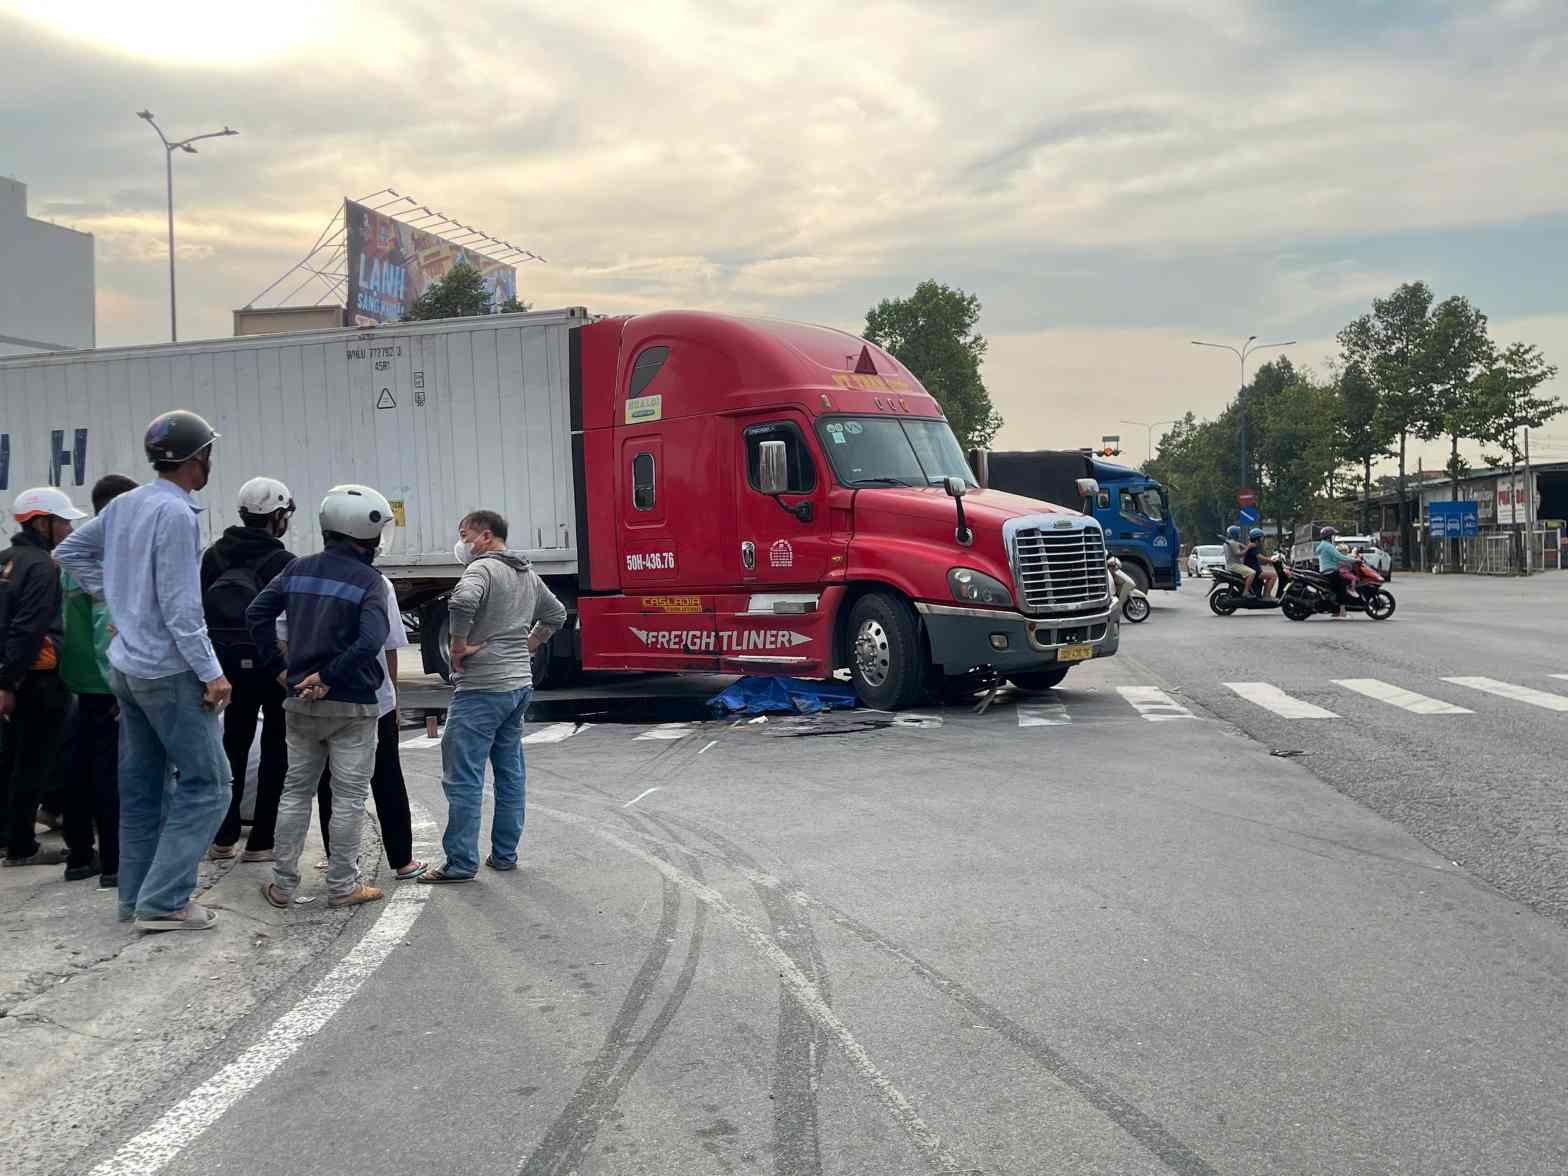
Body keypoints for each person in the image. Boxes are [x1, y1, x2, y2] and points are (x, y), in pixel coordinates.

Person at [54, 410, 233, 932]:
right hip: (167, 670)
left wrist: (119, 603)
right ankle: (166, 900)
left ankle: (135, 899)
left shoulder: (127, 503)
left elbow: (69, 551)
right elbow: (182, 607)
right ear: (196, 459)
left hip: (127, 669)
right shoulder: (176, 514)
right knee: (210, 785)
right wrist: (212, 673)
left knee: (144, 789)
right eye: (208, 454)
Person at [248, 484, 392, 910]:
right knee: (348, 798)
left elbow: (255, 614)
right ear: (365, 537)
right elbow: (371, 642)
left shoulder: (297, 569)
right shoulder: (370, 580)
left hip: (300, 704)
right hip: (353, 705)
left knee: (295, 792)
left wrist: (281, 671)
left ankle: (282, 886)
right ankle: (342, 887)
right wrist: (329, 676)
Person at [423, 510, 565, 884]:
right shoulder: (526, 573)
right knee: (510, 773)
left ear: (485, 536)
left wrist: (457, 647)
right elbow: (556, 615)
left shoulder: (480, 570)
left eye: (464, 533)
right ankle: (504, 854)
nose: (461, 542)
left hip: (482, 688)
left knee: (463, 777)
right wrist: (527, 646)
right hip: (517, 686)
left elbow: (460, 603)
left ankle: (460, 862)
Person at [202, 477, 297, 863]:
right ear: (276, 516)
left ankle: (222, 837)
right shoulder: (283, 561)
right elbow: (291, 622)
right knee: (275, 747)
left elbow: (198, 613)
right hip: (270, 664)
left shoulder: (213, 556)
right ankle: (261, 840)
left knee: (231, 746)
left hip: (224, 664)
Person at [314, 573, 427, 881]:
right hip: (374, 698)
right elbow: (389, 646)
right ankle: (403, 860)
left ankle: (336, 859)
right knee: (387, 777)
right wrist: (393, 698)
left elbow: (281, 632)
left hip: (322, 696)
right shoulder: (378, 583)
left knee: (330, 780)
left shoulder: (305, 577)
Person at [59, 475, 139, 885]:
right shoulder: (111, 557)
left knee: (79, 771)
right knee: (114, 777)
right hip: (106, 686)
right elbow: (103, 628)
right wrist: (118, 684)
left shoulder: (77, 560)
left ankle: (79, 857)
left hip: (79, 686)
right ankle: (115, 864)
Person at [1, 487, 85, 867]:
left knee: (10, 760)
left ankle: (8, 836)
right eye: (63, 520)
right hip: (38, 681)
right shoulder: (42, 567)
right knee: (35, 763)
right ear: (41, 523)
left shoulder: (6, 561)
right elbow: (28, 628)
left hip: (13, 679)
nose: (69, 528)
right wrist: (8, 682)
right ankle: (21, 845)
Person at [1316, 526, 1358, 617]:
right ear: (1329, 537)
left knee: (1336, 589)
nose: (1334, 538)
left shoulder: (1322, 546)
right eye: (1333, 535)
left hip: (1325, 571)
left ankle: (1335, 610)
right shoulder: (1328, 546)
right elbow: (1339, 556)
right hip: (1331, 572)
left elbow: (1334, 558)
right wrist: (1353, 560)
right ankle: (1342, 611)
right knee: (1342, 586)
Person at [1244, 527, 1277, 599]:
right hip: (1254, 571)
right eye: (1262, 538)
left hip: (1254, 570)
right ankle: (1267, 596)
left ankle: (1265, 595)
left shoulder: (1253, 546)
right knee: (1273, 576)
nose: (1263, 540)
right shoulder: (1253, 547)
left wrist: (1269, 559)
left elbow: (1260, 559)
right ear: (1257, 538)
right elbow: (1260, 557)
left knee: (1268, 576)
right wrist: (1272, 560)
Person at [1223, 525, 1255, 596]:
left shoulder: (1228, 542)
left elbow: (1240, 546)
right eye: (1239, 533)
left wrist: (1247, 547)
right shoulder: (1232, 543)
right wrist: (1248, 548)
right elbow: (1238, 554)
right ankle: (1245, 592)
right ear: (1235, 534)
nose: (1239, 535)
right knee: (1252, 573)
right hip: (1235, 566)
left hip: (1230, 565)